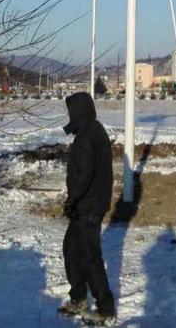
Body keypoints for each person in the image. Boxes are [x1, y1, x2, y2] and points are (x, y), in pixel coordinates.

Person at [59, 92, 116, 326]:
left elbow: (83, 175)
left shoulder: (85, 137)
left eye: (71, 112)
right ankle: (79, 297)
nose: (69, 116)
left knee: (90, 258)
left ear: (78, 112)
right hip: (92, 203)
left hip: (88, 206)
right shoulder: (94, 129)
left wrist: (71, 200)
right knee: (72, 249)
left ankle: (105, 309)